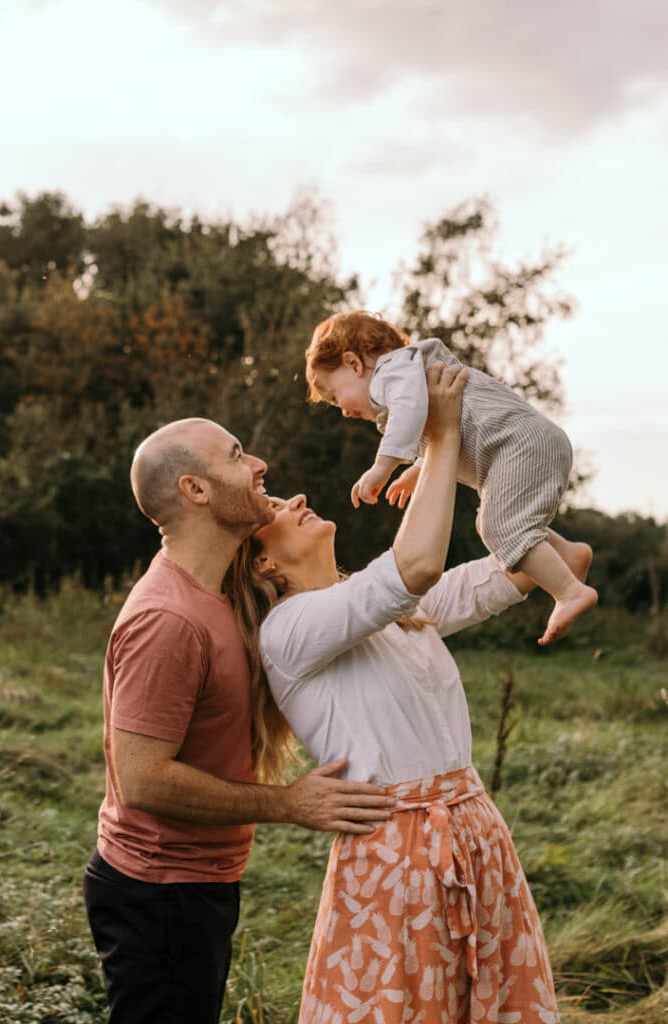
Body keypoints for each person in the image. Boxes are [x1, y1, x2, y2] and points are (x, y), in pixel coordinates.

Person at [230, 365, 564, 1023]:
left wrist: (483, 450)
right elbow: (412, 567)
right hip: (397, 855)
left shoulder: (397, 612)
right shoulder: (289, 631)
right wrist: (436, 439)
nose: (294, 498)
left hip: (473, 834)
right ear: (265, 565)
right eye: (275, 511)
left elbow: (529, 563)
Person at [83, 417, 396, 1024]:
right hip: (159, 890)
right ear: (197, 491)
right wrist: (288, 803)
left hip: (197, 883)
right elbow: (142, 780)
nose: (258, 465)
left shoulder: (223, 591)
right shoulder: (168, 619)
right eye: (236, 456)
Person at [305, 309, 597, 646]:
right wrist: (417, 470)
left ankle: (570, 592)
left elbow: (410, 411)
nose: (342, 410)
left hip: (517, 444)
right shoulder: (410, 374)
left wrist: (382, 467)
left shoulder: (391, 372)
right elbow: (433, 425)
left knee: (496, 527)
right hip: (524, 442)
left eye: (334, 395)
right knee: (512, 521)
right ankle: (568, 556)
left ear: (354, 364)